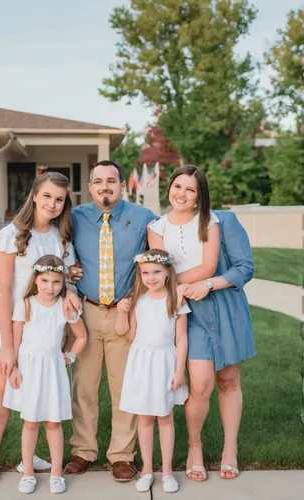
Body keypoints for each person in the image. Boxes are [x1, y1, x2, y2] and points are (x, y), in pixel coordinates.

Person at [148, 165, 255, 482]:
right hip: (187, 315)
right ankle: (195, 447)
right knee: (201, 385)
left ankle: (229, 449)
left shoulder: (221, 221)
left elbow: (244, 267)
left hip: (224, 307)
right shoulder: (156, 228)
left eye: (190, 189)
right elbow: (158, 271)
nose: (181, 193)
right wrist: (172, 288)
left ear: (199, 197)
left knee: (229, 381)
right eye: (177, 186)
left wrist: (208, 284)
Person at [0, 172, 81, 483]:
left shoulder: (60, 237)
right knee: (4, 383)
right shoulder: (11, 235)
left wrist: (72, 287)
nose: (52, 203)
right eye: (47, 196)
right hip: (10, 320)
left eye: (59, 199)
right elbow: (5, 290)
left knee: (37, 388)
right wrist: (8, 346)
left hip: (45, 324)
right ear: (34, 195)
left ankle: (29, 456)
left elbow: (66, 278)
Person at [64, 160, 158, 481]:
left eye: (111, 180)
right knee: (84, 386)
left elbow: (161, 258)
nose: (105, 186)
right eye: (98, 181)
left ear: (122, 185)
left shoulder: (143, 218)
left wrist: (137, 297)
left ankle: (122, 454)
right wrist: (70, 285)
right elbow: (62, 256)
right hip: (86, 311)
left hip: (124, 312)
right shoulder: (74, 218)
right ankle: (82, 449)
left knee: (124, 387)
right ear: (90, 187)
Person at [3, 255, 87, 494]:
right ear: (36, 279)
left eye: (57, 282)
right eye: (45, 281)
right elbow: (16, 340)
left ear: (63, 282)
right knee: (30, 422)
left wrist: (69, 357)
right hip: (29, 369)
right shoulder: (26, 304)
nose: (51, 287)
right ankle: (28, 472)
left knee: (53, 422)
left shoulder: (65, 307)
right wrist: (14, 369)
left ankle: (56, 473)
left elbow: (81, 337)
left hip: (52, 369)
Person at [116, 249, 190, 493]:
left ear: (168, 272)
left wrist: (180, 370)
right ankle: (147, 469)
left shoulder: (175, 301)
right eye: (146, 272)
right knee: (145, 417)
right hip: (141, 362)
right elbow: (127, 335)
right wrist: (122, 313)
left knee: (165, 416)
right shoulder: (138, 300)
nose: (151, 277)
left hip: (165, 362)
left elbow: (181, 338)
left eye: (156, 272)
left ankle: (167, 471)